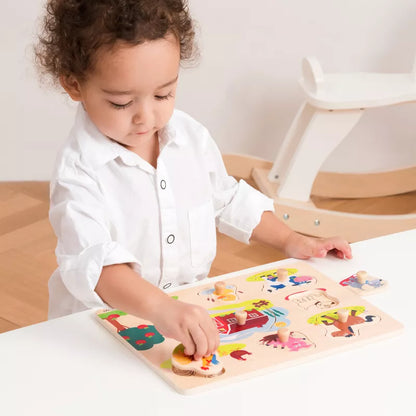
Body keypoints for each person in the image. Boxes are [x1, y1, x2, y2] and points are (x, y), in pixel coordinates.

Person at [35, 0, 352, 361]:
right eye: (122, 103)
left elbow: (227, 199)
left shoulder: (189, 136)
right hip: (102, 331)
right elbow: (98, 267)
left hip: (182, 317)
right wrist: (159, 308)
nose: (146, 117)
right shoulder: (78, 171)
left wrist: (293, 240)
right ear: (75, 85)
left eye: (163, 94)